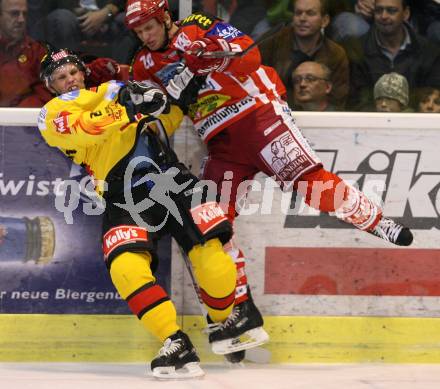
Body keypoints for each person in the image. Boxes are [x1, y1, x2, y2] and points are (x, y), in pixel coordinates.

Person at [125, 0, 414, 360]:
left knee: (310, 183)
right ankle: (240, 313)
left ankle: (376, 220)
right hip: (220, 142)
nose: (145, 35)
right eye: (138, 31)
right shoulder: (143, 63)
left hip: (257, 115)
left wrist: (213, 52)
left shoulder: (198, 25)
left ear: (165, 17)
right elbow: (159, 108)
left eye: (150, 27)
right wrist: (156, 95)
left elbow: (250, 56)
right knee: (209, 222)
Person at [37, 49, 255, 379]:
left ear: (83, 72)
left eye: (72, 72)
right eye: (60, 77)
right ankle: (175, 340)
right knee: (126, 267)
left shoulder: (117, 88)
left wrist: (176, 95)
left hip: (171, 178)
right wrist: (127, 104)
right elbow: (84, 129)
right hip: (122, 194)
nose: (69, 79)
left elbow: (160, 119)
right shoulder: (52, 113)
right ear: (52, 86)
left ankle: (223, 320)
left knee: (212, 252)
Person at [345, 0, 440, 111]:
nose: (384, 16)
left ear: (405, 14)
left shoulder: (429, 52)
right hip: (373, 122)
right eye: (379, 10)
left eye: (391, 11)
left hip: (414, 122)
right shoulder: (358, 50)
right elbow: (356, 103)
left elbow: (431, 99)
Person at [258, 0, 349, 109]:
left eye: (310, 13)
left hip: (321, 117)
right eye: (298, 13)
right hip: (276, 113)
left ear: (325, 20)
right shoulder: (271, 43)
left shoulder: (335, 53)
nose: (302, 18)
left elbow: (338, 99)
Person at [0, 0, 52, 107]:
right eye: (14, 13)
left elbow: (46, 94)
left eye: (24, 14)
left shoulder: (37, 52)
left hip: (24, 120)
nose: (21, 20)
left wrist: (18, 113)